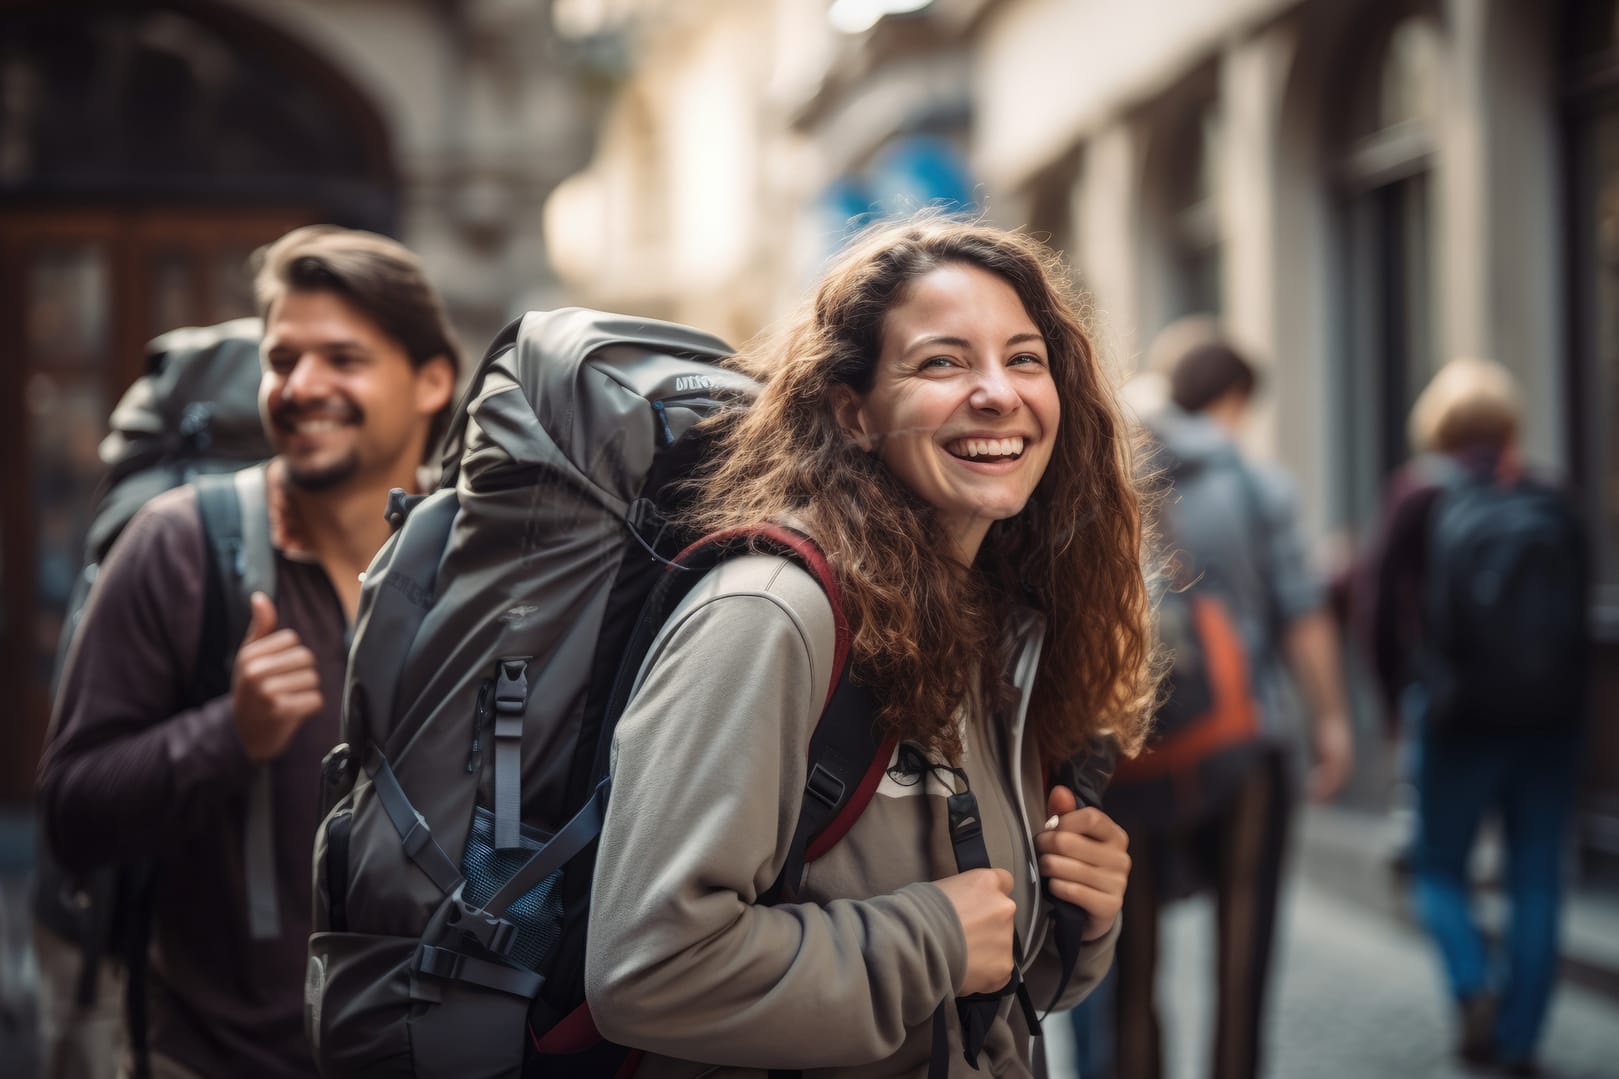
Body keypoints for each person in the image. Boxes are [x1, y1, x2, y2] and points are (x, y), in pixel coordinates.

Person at [584, 216, 1157, 1077]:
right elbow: (648, 971)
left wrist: (1075, 907)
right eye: (942, 362)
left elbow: (992, 983)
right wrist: (929, 939)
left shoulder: (993, 619)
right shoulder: (771, 614)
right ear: (853, 413)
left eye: (1025, 358)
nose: (998, 392)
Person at [37, 225, 459, 1079]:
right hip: (217, 1057)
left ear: (431, 380)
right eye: (282, 359)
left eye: (342, 358)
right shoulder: (178, 547)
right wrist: (230, 733)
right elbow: (71, 813)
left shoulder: (478, 565)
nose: (301, 386)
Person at [1087, 323, 1353, 1079]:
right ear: (1231, 399)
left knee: (1123, 965)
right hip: (1246, 739)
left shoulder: (1102, 472)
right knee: (1243, 956)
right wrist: (1329, 719)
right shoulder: (1252, 480)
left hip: (1123, 747)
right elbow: (1302, 613)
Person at [1362, 357, 1588, 1076]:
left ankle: (1470, 985)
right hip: (1548, 718)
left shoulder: (1416, 494)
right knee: (1535, 876)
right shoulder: (1548, 493)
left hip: (1455, 714)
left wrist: (1396, 696)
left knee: (1436, 867)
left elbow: (1374, 609)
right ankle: (1519, 1039)